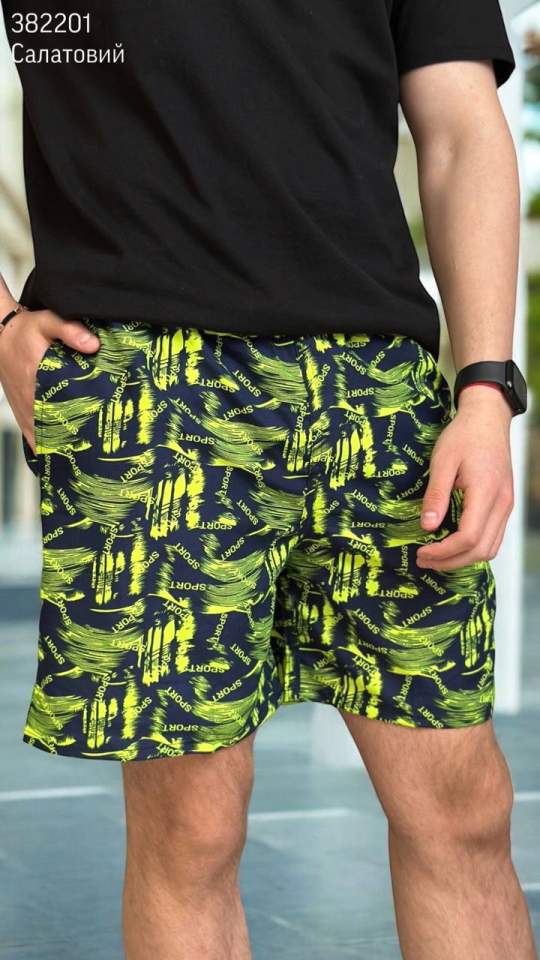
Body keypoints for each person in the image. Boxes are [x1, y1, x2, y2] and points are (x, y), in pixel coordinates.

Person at [0, 0, 536, 957]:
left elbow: (461, 128)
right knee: (190, 828)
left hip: (377, 393)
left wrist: (487, 387)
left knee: (461, 805)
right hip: (149, 387)